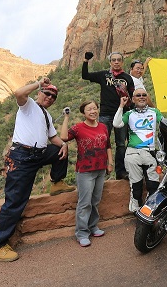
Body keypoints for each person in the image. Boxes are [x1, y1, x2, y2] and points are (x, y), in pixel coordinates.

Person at [0, 77, 74, 262]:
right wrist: (39, 83)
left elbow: (53, 138)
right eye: (47, 93)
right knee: (15, 201)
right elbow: (19, 93)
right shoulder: (28, 105)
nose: (50, 97)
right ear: (39, 93)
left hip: (39, 154)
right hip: (22, 157)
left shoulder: (47, 116)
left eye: (53, 96)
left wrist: (64, 145)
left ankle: (57, 183)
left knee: (60, 149)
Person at [60, 100, 113, 247]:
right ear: (84, 112)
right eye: (89, 109)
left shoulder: (103, 126)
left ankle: (93, 227)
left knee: (95, 201)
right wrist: (66, 118)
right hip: (85, 171)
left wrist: (110, 163)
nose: (93, 111)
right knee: (84, 203)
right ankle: (82, 233)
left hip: (100, 169)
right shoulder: (78, 128)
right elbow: (64, 137)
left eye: (95, 108)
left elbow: (108, 146)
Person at [82, 51, 135, 180]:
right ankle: (100, 171)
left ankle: (120, 172)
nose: (116, 62)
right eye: (114, 60)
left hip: (121, 114)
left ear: (122, 62)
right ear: (110, 62)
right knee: (101, 142)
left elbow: (132, 97)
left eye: (118, 60)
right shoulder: (103, 75)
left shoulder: (128, 78)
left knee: (121, 144)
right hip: (105, 114)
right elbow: (85, 75)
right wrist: (85, 61)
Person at [113, 89, 163, 212]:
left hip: (150, 152)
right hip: (133, 152)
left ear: (147, 98)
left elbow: (165, 124)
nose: (141, 97)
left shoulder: (155, 112)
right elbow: (116, 123)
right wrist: (121, 106)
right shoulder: (129, 114)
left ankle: (151, 209)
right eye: (138, 95)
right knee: (136, 186)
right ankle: (136, 210)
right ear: (133, 99)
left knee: (153, 185)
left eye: (144, 95)